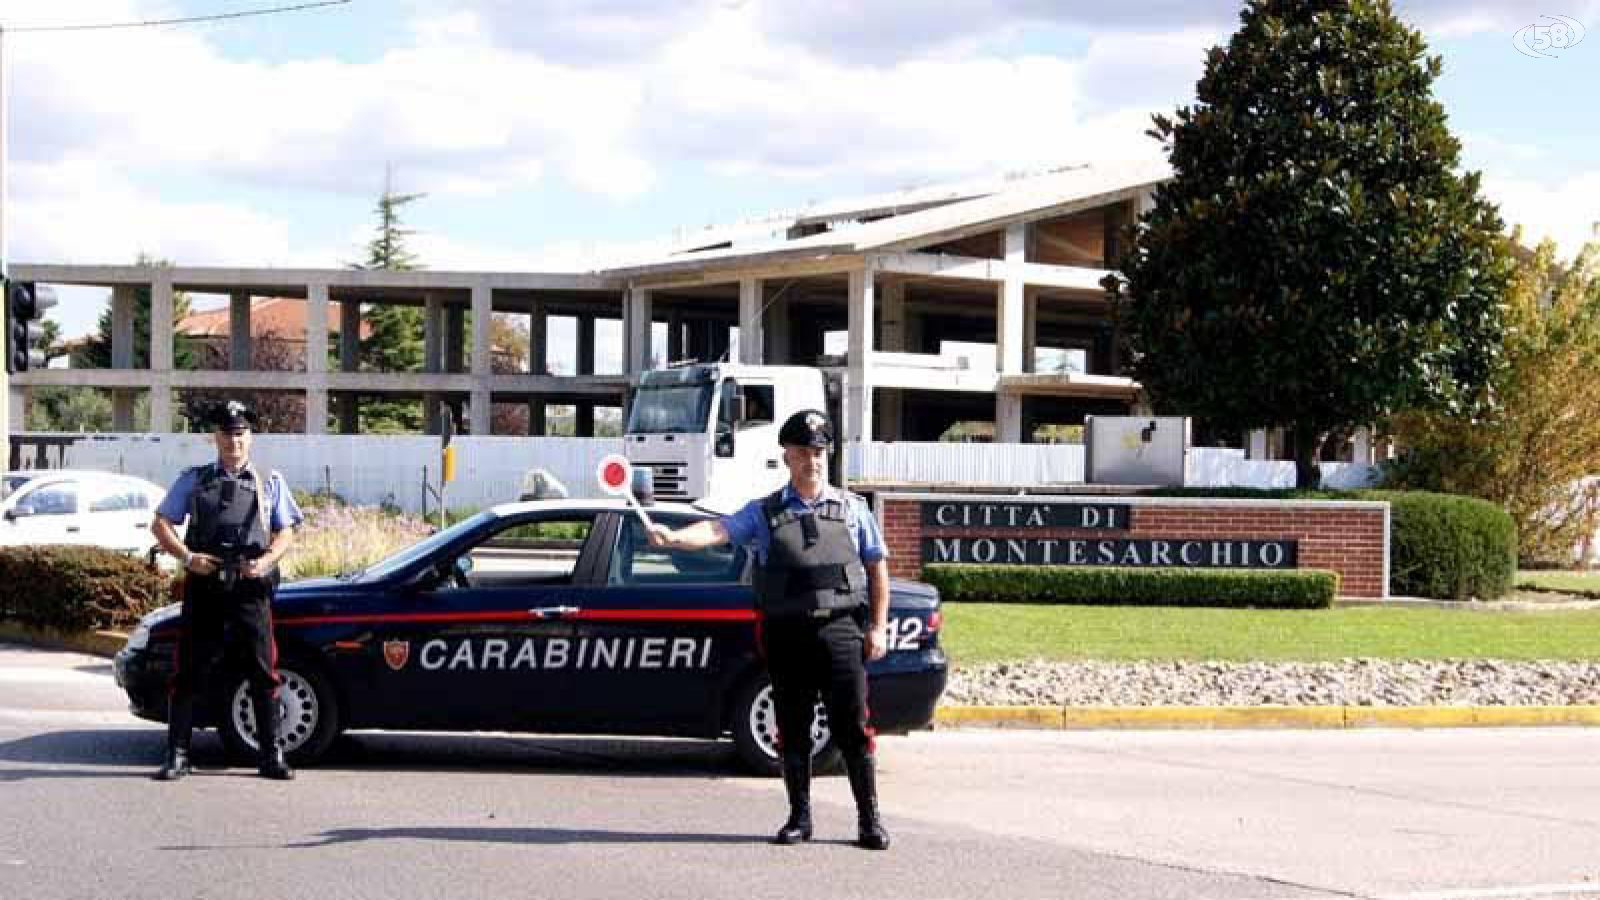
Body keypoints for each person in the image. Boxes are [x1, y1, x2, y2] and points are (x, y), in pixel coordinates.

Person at [648, 409, 892, 850]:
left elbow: (877, 569)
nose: (812, 461)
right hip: (787, 636)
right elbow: (719, 529)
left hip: (841, 631)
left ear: (827, 455)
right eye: (802, 452)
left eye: (819, 452)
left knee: (852, 728)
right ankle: (799, 817)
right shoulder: (764, 513)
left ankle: (868, 820)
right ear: (787, 456)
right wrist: (675, 538)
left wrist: (877, 627)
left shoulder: (854, 509)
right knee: (794, 729)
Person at [149, 400, 304, 781]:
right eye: (226, 434)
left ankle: (271, 755)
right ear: (215, 438)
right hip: (206, 583)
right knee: (188, 670)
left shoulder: (270, 481)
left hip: (250, 586)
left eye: (240, 434)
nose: (233, 441)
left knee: (263, 670)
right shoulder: (195, 478)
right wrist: (188, 558)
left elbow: (287, 530)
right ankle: (178, 755)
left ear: (250, 437)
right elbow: (161, 523)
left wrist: (266, 561)